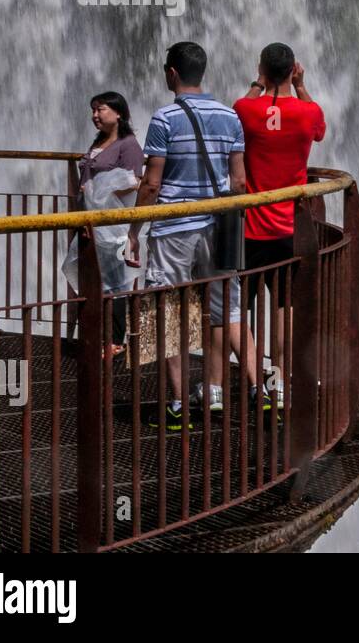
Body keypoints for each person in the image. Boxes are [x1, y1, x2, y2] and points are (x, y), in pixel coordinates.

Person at [125, 42, 261, 430]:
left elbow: (151, 184)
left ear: (171, 74)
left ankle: (180, 406)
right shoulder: (229, 117)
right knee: (230, 308)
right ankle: (260, 392)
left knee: (168, 311)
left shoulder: (165, 118)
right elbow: (238, 181)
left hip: (174, 229)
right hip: (219, 226)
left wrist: (134, 231)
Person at [234, 43, 326, 404]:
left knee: (235, 308)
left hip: (251, 228)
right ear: (293, 70)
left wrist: (258, 84)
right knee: (284, 307)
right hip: (291, 228)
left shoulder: (247, 109)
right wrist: (301, 86)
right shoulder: (308, 112)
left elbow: (233, 116)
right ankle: (279, 380)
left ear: (262, 69)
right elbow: (319, 130)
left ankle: (254, 380)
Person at [64, 92, 145, 355]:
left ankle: (116, 340)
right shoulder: (99, 141)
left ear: (119, 112)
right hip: (90, 221)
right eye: (93, 110)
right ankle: (97, 335)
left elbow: (134, 182)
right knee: (95, 278)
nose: (94, 115)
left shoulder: (128, 145)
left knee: (116, 282)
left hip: (114, 225)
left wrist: (100, 193)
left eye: (100, 109)